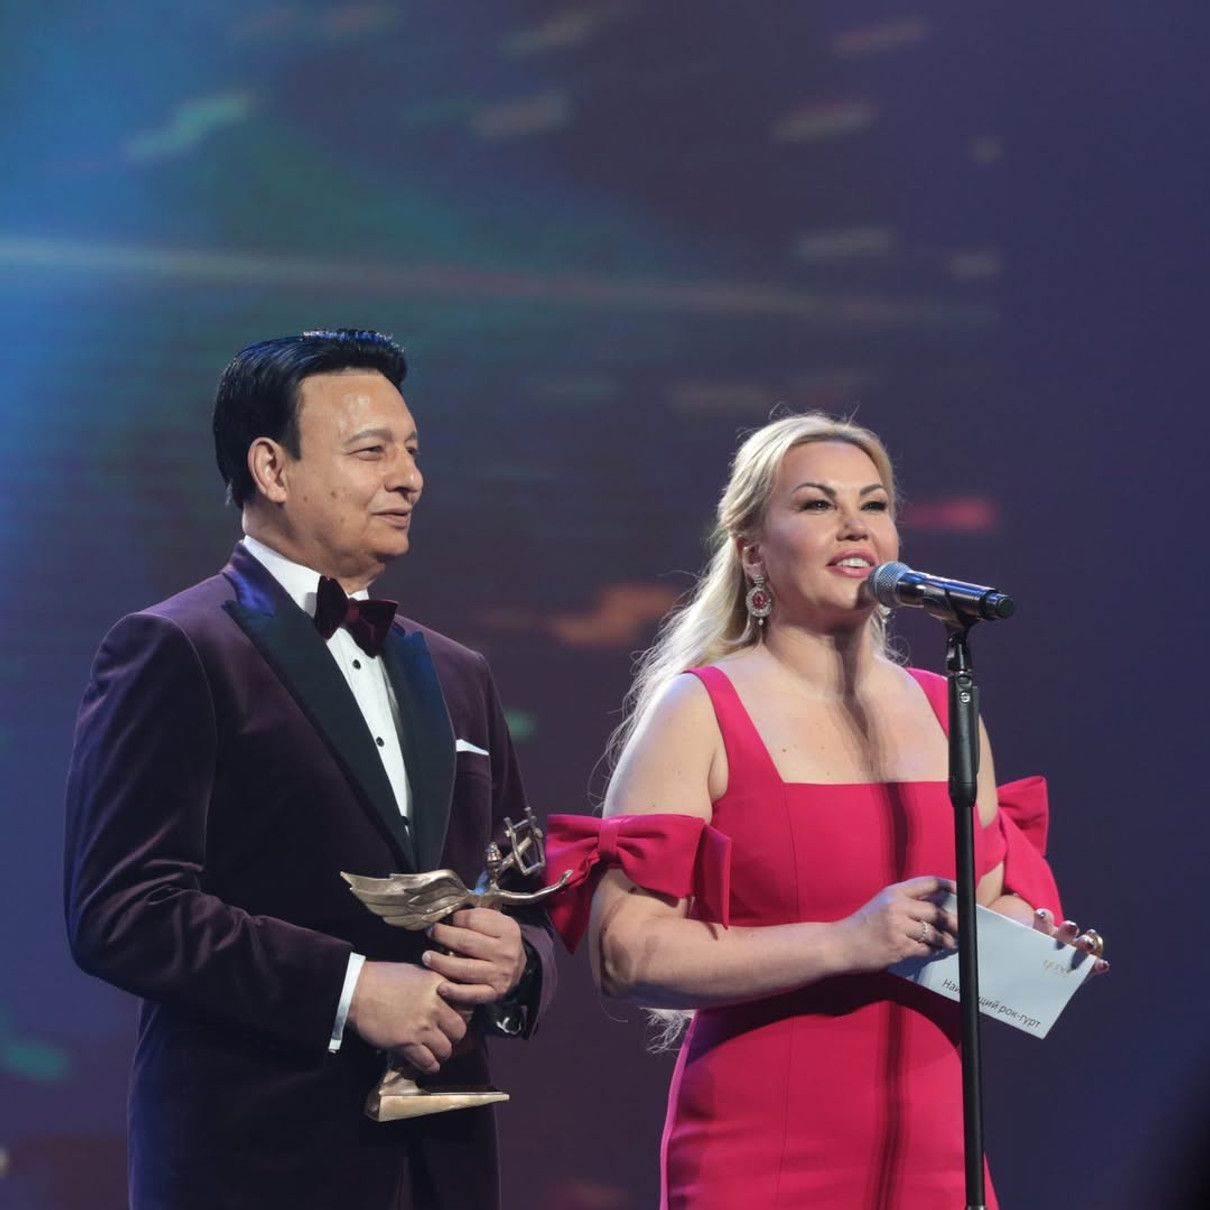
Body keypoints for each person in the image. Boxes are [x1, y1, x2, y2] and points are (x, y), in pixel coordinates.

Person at [544, 413, 1105, 1210]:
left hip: (935, 1150)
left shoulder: (947, 707)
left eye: (874, 504)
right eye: (816, 504)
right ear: (752, 551)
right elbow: (624, 956)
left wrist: (1037, 953)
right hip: (763, 1152)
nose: (854, 524)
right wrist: (847, 941)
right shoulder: (701, 709)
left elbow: (978, 912)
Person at [63, 329, 556, 1210]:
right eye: (372, 451)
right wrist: (351, 987)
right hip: (256, 1161)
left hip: (442, 1166)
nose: (409, 478)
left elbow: (524, 899)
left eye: (412, 451)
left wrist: (520, 963)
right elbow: (123, 910)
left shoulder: (460, 673)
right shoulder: (177, 648)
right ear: (272, 467)